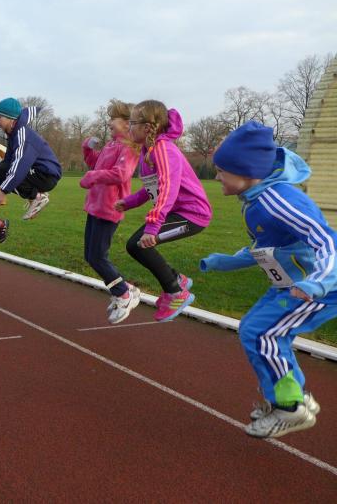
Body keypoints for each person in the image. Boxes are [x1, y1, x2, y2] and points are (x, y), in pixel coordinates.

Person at [200, 121, 335, 439]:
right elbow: (268, 249)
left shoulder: (279, 201)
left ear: (246, 172)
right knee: (256, 329)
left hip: (319, 288)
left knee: (263, 334)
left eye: (221, 171)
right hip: (289, 285)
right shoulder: (256, 199)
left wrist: (317, 283)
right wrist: (226, 261)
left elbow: (328, 242)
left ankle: (289, 407)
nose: (217, 177)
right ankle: (293, 397)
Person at [115, 100, 211, 322]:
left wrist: (153, 226)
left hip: (192, 215)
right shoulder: (149, 151)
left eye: (132, 123)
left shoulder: (164, 150)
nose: (129, 127)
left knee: (139, 245)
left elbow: (168, 188)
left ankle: (176, 292)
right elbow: (153, 187)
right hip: (176, 212)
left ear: (147, 127)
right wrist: (129, 202)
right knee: (135, 245)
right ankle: (176, 279)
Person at [80, 100, 141, 324]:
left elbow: (121, 173)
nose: (109, 123)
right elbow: (95, 164)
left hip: (110, 208)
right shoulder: (111, 145)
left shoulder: (129, 148)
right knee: (90, 256)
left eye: (112, 119)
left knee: (98, 257)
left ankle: (123, 294)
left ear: (126, 123)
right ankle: (126, 288)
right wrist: (88, 148)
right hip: (95, 206)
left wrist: (92, 177)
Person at [0, 98, 62, 220]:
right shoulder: (14, 135)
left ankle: (37, 197)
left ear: (11, 118)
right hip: (37, 173)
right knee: (4, 168)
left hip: (46, 175)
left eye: (0, 117)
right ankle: (35, 197)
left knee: (12, 172)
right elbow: (4, 166)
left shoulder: (22, 136)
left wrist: (2, 191)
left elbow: (19, 167)